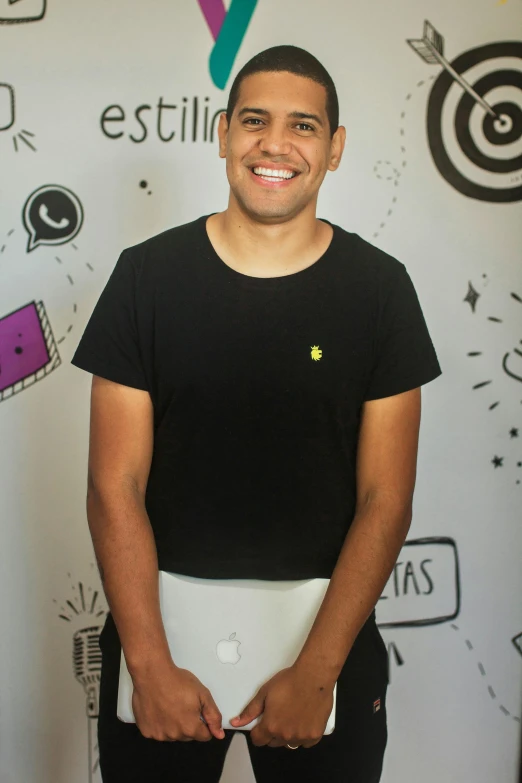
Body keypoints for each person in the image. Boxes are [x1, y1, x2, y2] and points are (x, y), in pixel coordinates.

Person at [71, 44, 442, 783]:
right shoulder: (146, 277)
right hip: (161, 652)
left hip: (326, 653)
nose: (275, 144)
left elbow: (386, 499)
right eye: (255, 121)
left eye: (303, 126)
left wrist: (317, 671)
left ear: (335, 149)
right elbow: (113, 486)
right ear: (222, 134)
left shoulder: (381, 291)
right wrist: (150, 665)